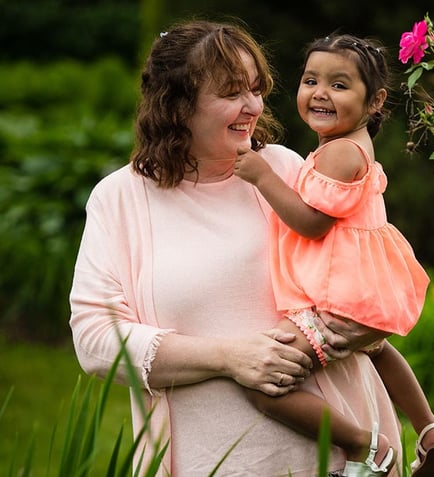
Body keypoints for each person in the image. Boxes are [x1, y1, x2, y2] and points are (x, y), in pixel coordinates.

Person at [69, 19, 401, 477]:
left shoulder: (287, 169)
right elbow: (95, 339)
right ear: (177, 105)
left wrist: (363, 328)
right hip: (206, 462)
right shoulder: (120, 199)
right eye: (231, 93)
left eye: (255, 88)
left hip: (333, 460)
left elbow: (369, 267)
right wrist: (230, 358)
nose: (253, 106)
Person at [233, 34, 434, 477]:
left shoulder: (338, 153)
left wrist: (262, 177)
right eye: (310, 79)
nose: (319, 92)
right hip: (363, 295)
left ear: (375, 101)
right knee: (377, 350)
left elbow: (312, 222)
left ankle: (365, 447)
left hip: (339, 300)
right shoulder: (352, 148)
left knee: (265, 385)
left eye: (339, 85)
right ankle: (430, 430)